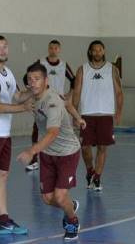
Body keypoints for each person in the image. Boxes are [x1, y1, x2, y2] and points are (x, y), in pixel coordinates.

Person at [17, 63, 81, 241]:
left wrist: (32, 151)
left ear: (46, 81)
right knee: (47, 198)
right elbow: (17, 98)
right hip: (48, 153)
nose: (33, 82)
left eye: (37, 79)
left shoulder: (51, 102)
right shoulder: (34, 96)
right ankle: (69, 205)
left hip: (67, 152)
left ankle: (72, 221)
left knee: (60, 197)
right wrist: (78, 118)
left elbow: (53, 132)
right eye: (30, 80)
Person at [0, 34, 31, 242]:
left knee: (2, 176)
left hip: (4, 135)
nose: (2, 50)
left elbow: (17, 96)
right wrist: (22, 108)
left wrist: (35, 89)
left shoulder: (8, 73)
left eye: (4, 46)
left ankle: (4, 221)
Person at [73, 40, 123, 191]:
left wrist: (119, 112)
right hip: (87, 114)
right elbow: (76, 92)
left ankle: (97, 178)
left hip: (106, 114)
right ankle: (90, 171)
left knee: (102, 147)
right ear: (90, 52)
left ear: (103, 51)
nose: (97, 53)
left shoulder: (112, 69)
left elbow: (119, 93)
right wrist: (75, 115)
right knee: (85, 147)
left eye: (99, 50)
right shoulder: (82, 69)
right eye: (94, 50)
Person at [26, 40, 76, 171]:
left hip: (57, 102)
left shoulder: (64, 65)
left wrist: (69, 95)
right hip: (42, 101)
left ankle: (61, 155)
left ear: (59, 50)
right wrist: (32, 90)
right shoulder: (41, 62)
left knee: (56, 130)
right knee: (37, 129)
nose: (53, 50)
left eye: (56, 48)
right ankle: (34, 159)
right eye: (51, 48)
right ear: (48, 49)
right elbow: (28, 76)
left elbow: (74, 80)